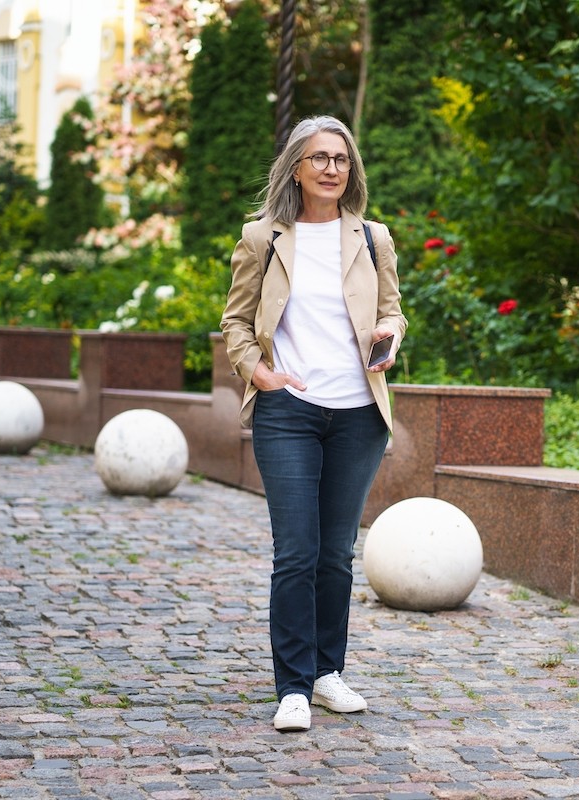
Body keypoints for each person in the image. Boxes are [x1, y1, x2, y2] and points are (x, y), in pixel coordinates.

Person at [220, 116, 406, 732]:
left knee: (336, 556)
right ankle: (292, 687)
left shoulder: (373, 238)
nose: (332, 168)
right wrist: (259, 372)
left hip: (358, 414)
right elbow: (236, 323)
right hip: (288, 410)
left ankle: (328, 673)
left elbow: (392, 314)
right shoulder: (263, 238)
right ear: (296, 168)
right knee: (296, 552)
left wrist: (389, 336)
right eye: (320, 157)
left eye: (342, 159)